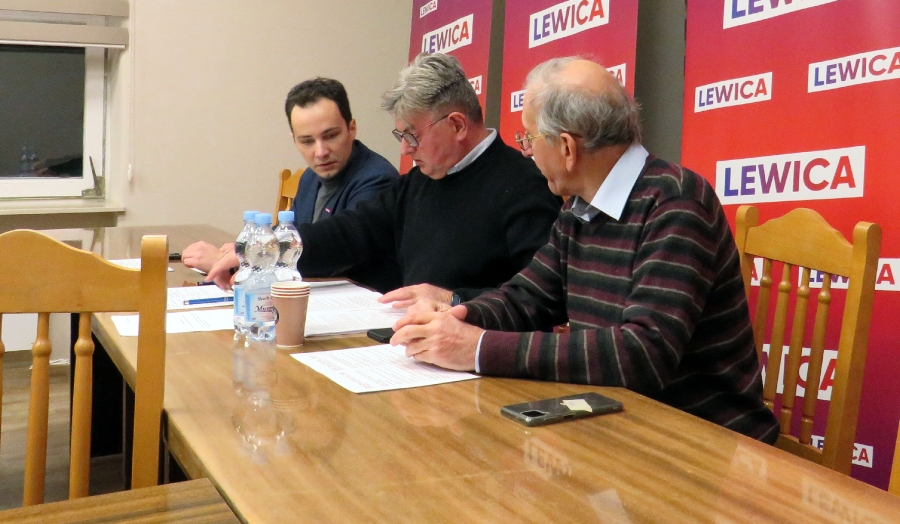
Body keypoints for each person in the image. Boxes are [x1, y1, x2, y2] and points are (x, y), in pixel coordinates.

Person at [391, 57, 780, 442]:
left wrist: (477, 347)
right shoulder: (579, 207)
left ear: (566, 148)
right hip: (623, 426)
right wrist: (457, 317)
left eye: (529, 138)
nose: (525, 151)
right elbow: (529, 298)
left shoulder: (676, 202)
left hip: (709, 441)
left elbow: (642, 354)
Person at [206, 52, 562, 297]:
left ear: (456, 125)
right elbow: (351, 231)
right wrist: (268, 247)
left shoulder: (525, 187)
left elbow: (540, 297)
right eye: (400, 136)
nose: (405, 150)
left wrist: (454, 301)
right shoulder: (420, 183)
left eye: (412, 136)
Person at [182, 78, 398, 276]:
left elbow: (338, 249)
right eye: (307, 141)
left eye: (331, 136)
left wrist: (247, 258)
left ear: (352, 129)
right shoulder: (309, 177)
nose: (321, 152)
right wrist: (245, 250)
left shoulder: (378, 179)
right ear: (294, 139)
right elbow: (287, 235)